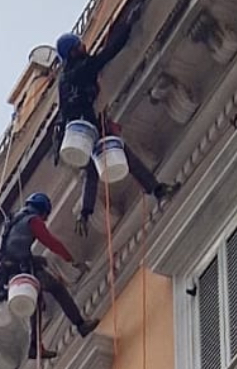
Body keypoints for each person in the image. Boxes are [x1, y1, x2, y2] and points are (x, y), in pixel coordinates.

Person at [53, 21, 173, 231]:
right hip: (83, 128)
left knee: (94, 167)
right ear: (73, 51)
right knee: (120, 153)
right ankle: (156, 189)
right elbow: (108, 54)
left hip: (77, 130)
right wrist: (127, 27)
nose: (84, 47)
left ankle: (85, 212)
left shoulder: (66, 78)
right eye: (80, 45)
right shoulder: (81, 70)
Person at [0, 192, 95, 362]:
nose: (45, 220)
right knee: (57, 289)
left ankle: (35, 346)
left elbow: (9, 251)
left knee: (35, 302)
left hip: (8, 272)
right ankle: (80, 324)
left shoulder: (12, 223)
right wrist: (72, 260)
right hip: (22, 269)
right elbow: (51, 242)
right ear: (42, 210)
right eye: (46, 216)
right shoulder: (33, 221)